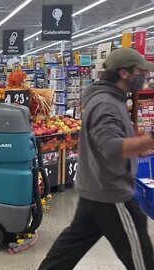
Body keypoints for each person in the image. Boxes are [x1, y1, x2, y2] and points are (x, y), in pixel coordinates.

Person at [38, 48, 154, 270]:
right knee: (141, 258)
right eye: (140, 71)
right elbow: (111, 147)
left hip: (94, 189)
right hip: (112, 193)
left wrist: (137, 146)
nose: (144, 77)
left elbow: (106, 141)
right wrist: (150, 139)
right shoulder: (106, 104)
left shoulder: (107, 98)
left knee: (66, 251)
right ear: (124, 73)